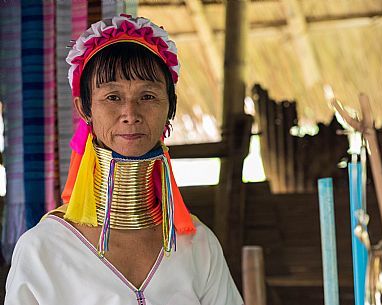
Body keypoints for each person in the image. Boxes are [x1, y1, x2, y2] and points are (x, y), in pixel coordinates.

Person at [5, 14, 244, 305]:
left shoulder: (198, 246)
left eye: (147, 96)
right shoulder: (43, 248)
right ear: (85, 109)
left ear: (171, 107)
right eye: (113, 97)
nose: (131, 113)